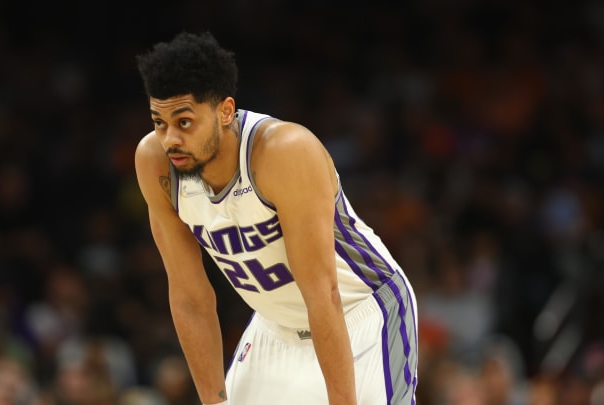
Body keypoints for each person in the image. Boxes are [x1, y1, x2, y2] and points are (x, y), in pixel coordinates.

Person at [133, 31, 418, 405]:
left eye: (184, 122)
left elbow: (323, 295)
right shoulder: (156, 164)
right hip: (275, 325)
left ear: (225, 111)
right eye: (159, 122)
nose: (170, 138)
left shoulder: (284, 153)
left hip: (357, 314)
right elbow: (190, 297)